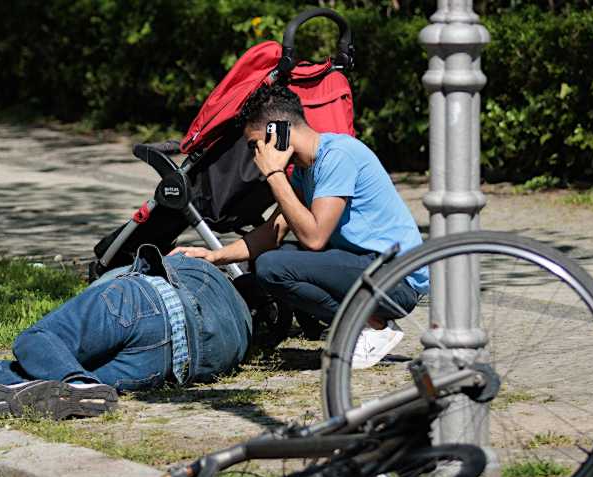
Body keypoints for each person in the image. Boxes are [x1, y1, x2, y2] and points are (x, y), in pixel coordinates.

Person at [171, 84, 428, 369]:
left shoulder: (338, 156)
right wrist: (213, 256)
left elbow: (315, 238)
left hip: (396, 280)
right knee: (261, 268)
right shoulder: (307, 170)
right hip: (369, 269)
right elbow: (274, 231)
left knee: (273, 266)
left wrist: (274, 173)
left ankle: (375, 325)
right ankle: (366, 322)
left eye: (255, 145)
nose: (256, 156)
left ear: (276, 132)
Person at [0, 247, 252, 420]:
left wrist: (212, 255)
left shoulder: (204, 265)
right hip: (169, 365)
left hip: (143, 304)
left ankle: (66, 383)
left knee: (35, 340)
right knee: (67, 367)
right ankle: (74, 387)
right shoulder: (244, 335)